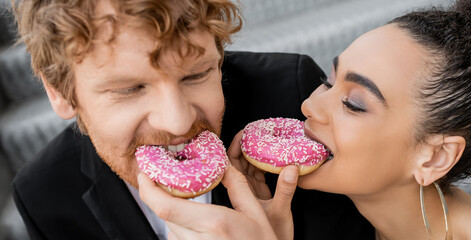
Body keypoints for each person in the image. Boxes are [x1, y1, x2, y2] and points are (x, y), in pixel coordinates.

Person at [140, 0, 471, 239]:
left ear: (433, 158)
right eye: (327, 81)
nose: (309, 106)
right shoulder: (344, 217)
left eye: (354, 103)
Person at [10, 0, 374, 239]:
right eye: (130, 88)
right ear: (59, 92)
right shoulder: (46, 197)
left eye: (196, 75)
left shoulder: (291, 96)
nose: (178, 122)